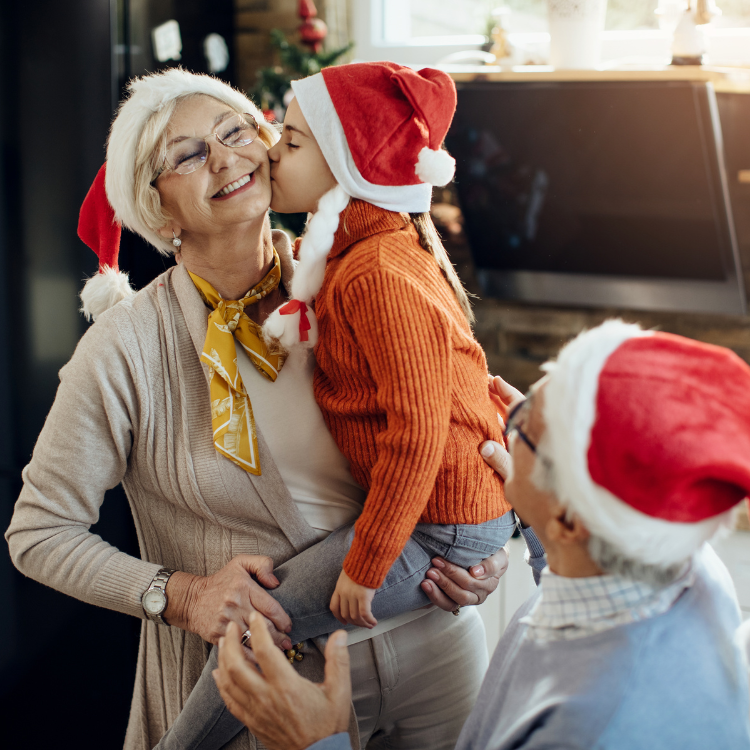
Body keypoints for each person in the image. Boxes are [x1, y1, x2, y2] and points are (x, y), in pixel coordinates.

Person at [4, 68, 512, 750]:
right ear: (156, 211)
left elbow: (452, 428)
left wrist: (484, 546)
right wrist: (180, 595)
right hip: (271, 695)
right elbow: (38, 535)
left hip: (438, 652)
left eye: (236, 130)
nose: (225, 158)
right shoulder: (124, 348)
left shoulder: (355, 277)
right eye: (185, 155)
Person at [214, 320, 750, 750]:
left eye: (528, 428)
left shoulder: (590, 724)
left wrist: (318, 741)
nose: (508, 415)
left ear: (570, 519)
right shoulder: (685, 567)